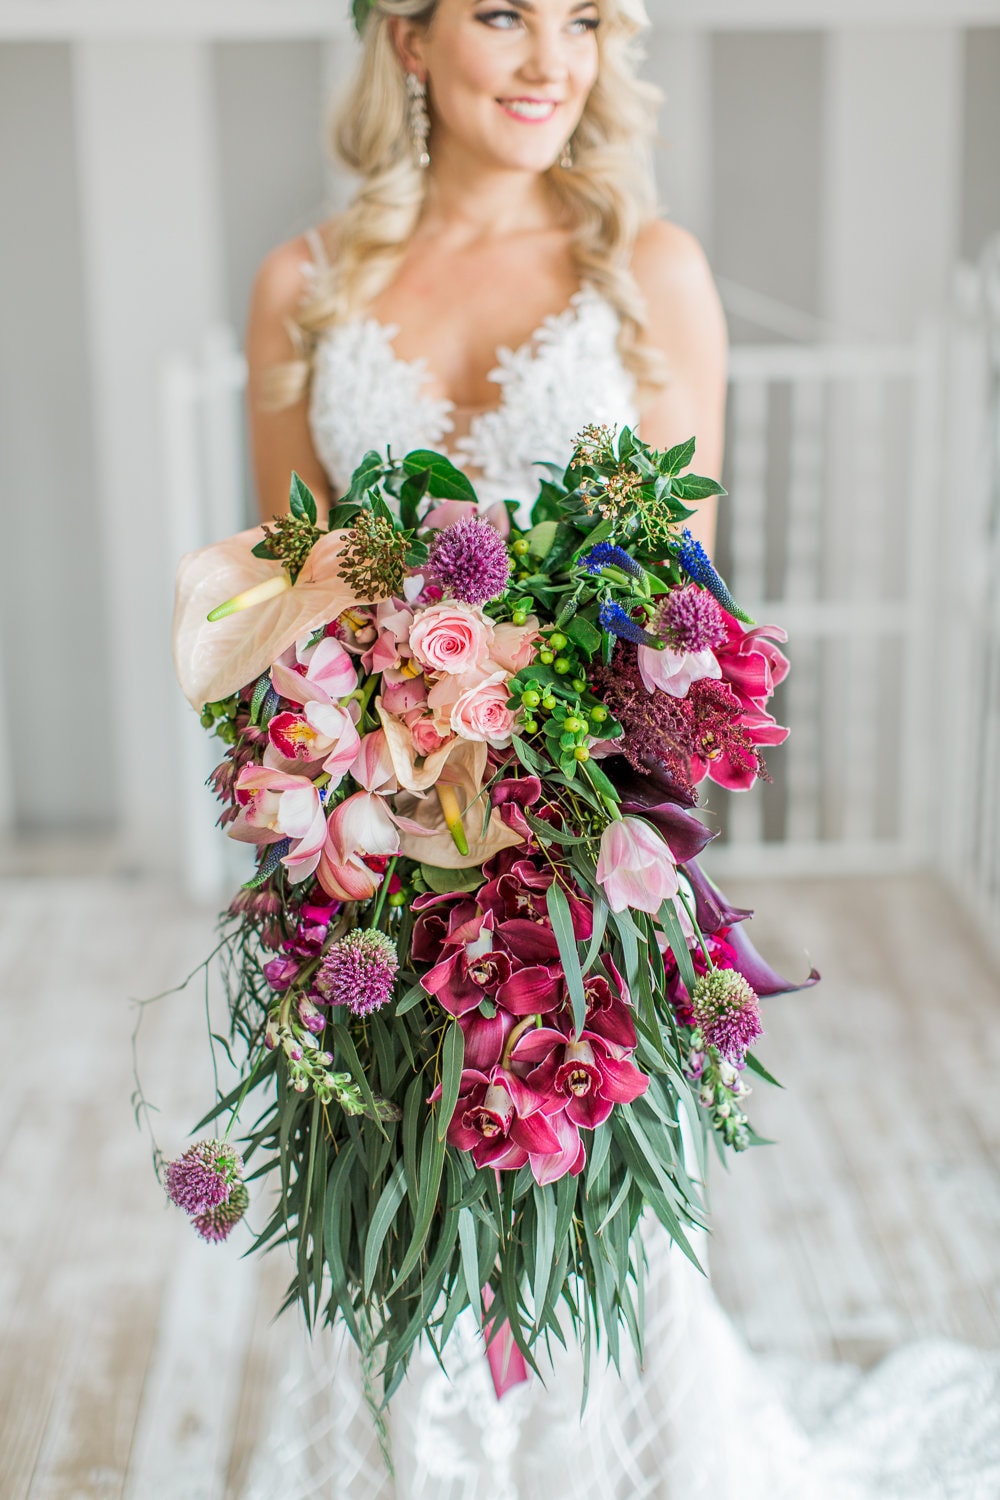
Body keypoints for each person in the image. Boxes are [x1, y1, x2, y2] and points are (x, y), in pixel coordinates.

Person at [238, 0, 1000, 1495]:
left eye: (584, 17)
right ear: (406, 36)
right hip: (377, 840)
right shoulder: (306, 284)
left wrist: (567, 804)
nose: (549, 59)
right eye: (504, 14)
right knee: (396, 1175)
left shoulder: (644, 273)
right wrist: (335, 781)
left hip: (581, 827)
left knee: (582, 1189)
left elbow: (684, 609)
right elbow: (294, 595)